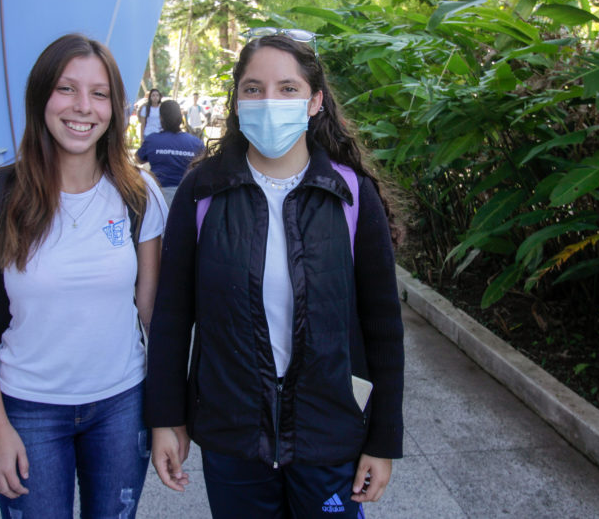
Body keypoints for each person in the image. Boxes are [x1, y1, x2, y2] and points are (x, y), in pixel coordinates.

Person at [144, 32, 404, 519]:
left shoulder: (350, 193)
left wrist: (384, 439)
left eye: (287, 89)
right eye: (253, 88)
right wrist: (166, 418)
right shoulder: (202, 191)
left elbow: (383, 326)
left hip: (329, 433)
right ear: (237, 101)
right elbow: (172, 317)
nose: (269, 101)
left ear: (315, 101)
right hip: (232, 434)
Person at [0, 34, 168, 518]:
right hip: (27, 409)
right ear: (40, 96)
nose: (83, 107)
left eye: (99, 93)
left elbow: (153, 312)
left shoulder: (140, 194)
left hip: (122, 406)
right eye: (66, 88)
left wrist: (168, 416)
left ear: (115, 108)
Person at [137, 100, 204, 206]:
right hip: (186, 198)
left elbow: (138, 159)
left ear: (161, 118)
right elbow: (204, 168)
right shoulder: (196, 143)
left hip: (158, 198)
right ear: (180, 117)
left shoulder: (152, 140)